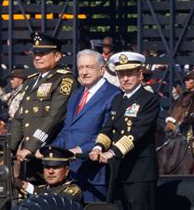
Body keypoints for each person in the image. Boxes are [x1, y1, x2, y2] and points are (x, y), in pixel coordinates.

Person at [89, 51, 160, 210]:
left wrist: (112, 152)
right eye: (121, 75)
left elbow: (136, 132)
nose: (125, 79)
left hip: (140, 172)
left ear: (140, 74)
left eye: (129, 74)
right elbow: (108, 127)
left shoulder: (149, 99)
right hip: (118, 170)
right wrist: (98, 147)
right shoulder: (117, 99)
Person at [51, 49, 121, 202]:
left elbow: (109, 132)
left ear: (102, 69)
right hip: (71, 173)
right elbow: (67, 129)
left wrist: (80, 150)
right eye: (81, 67)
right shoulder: (77, 94)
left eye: (88, 67)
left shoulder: (114, 94)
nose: (84, 72)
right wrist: (53, 149)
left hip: (95, 173)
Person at [10, 32, 77, 162]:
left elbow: (54, 118)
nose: (37, 58)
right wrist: (10, 148)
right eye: (35, 54)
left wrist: (31, 147)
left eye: (43, 54)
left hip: (49, 150)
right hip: (27, 153)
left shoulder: (64, 80)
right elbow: (19, 117)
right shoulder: (31, 81)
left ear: (57, 56)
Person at [16, 146, 82, 203]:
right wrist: (21, 184)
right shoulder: (44, 188)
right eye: (47, 167)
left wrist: (29, 188)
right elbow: (40, 192)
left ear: (67, 170)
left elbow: (53, 202)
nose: (50, 171)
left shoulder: (73, 189)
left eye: (55, 167)